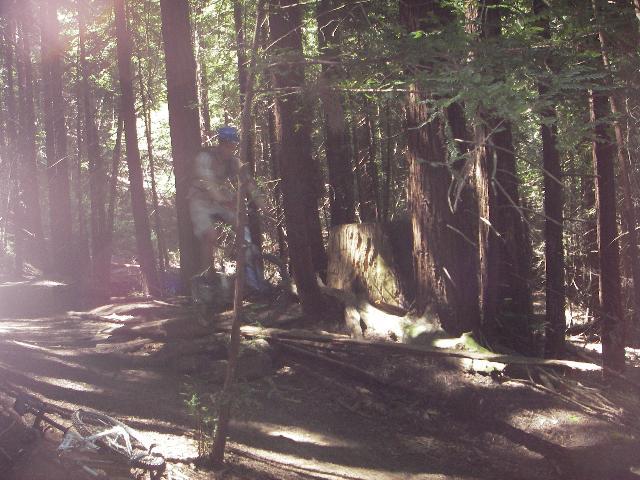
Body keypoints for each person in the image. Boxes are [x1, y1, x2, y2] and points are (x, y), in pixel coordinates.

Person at [189, 126, 267, 276]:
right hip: (199, 199)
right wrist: (225, 201)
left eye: (233, 146)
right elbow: (209, 184)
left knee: (241, 225)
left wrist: (262, 204)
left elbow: (249, 182)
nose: (231, 149)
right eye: (228, 145)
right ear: (221, 143)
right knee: (210, 236)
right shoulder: (205, 158)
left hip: (219, 200)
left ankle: (247, 272)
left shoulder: (234, 161)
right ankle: (207, 274)